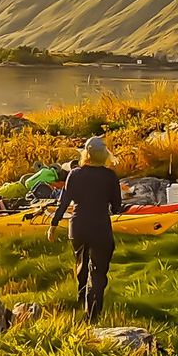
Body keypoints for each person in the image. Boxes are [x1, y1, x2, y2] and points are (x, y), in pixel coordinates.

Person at [51, 136, 123, 320]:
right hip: (100, 227)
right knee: (98, 271)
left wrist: (53, 224)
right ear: (104, 155)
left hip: (78, 227)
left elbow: (63, 203)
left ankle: (81, 299)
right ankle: (93, 314)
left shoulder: (74, 174)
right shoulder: (110, 176)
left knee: (81, 265)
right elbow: (116, 207)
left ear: (86, 154)